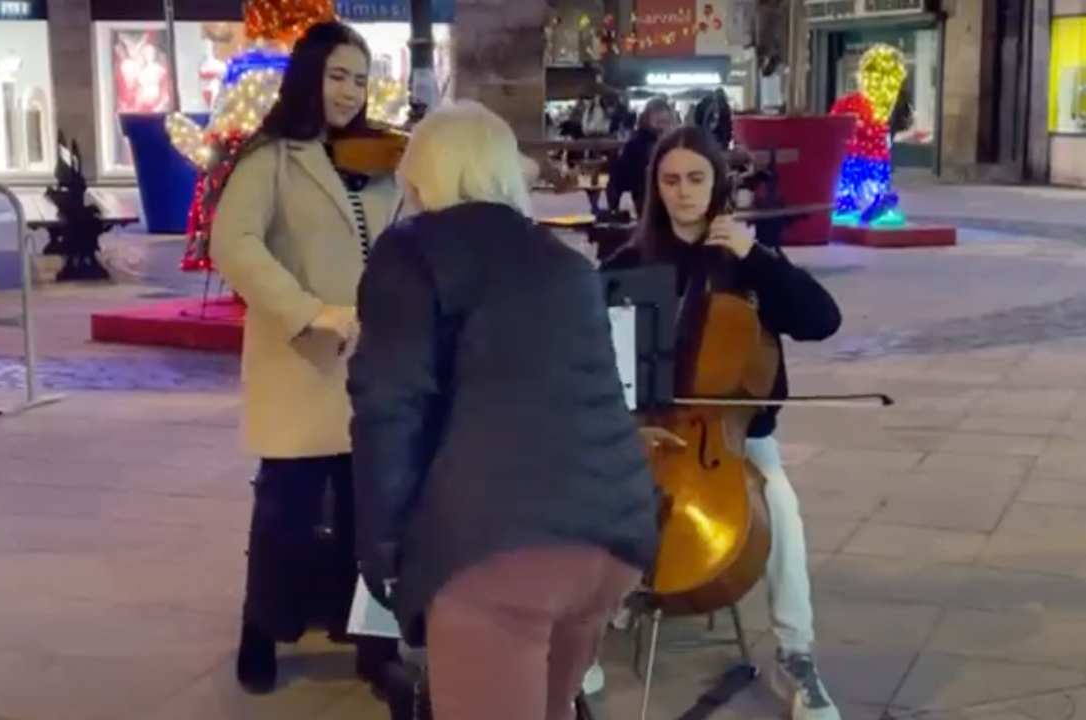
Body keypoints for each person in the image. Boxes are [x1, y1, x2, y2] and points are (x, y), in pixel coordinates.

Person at [347, 100, 659, 720]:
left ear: (417, 177)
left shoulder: (411, 251)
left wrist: (381, 552)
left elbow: (389, 406)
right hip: (611, 535)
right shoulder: (563, 260)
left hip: (500, 550)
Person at [600, 126, 843, 720]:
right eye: (671, 180)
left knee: (779, 508)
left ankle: (796, 656)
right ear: (655, 188)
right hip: (646, 429)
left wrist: (755, 258)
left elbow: (822, 320)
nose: (683, 193)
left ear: (718, 183)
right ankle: (595, 613)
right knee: (582, 488)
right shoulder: (629, 261)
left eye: (696, 179)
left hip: (734, 440)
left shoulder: (745, 257)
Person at [209, 20, 401, 697]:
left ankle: (372, 642)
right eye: (337, 75)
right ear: (307, 77)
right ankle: (260, 629)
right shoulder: (272, 159)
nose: (350, 91)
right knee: (285, 512)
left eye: (359, 77)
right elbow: (234, 245)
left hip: (370, 366)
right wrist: (305, 310)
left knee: (367, 513)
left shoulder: (379, 160)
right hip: (301, 363)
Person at [604, 97, 674, 218]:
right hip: (646, 196)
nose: (661, 123)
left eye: (664, 120)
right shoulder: (637, 144)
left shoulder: (675, 142)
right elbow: (621, 174)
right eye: (657, 117)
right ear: (647, 118)